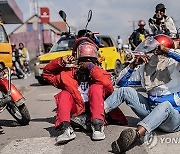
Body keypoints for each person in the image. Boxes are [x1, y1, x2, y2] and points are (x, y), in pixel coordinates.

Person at [103, 34, 180, 153]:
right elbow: (121, 83)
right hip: (151, 113)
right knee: (125, 91)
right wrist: (133, 65)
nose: (148, 54)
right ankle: (96, 117)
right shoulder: (146, 69)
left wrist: (168, 51)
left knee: (164, 105)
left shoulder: (175, 65)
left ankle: (136, 135)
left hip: (172, 120)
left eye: (153, 50)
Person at [42, 40, 127, 144]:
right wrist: (61, 61)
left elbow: (108, 85)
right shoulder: (68, 74)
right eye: (83, 61)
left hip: (96, 110)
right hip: (77, 110)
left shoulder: (98, 72)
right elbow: (47, 74)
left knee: (95, 88)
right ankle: (66, 129)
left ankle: (97, 126)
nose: (85, 63)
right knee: (64, 94)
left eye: (90, 61)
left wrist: (91, 67)